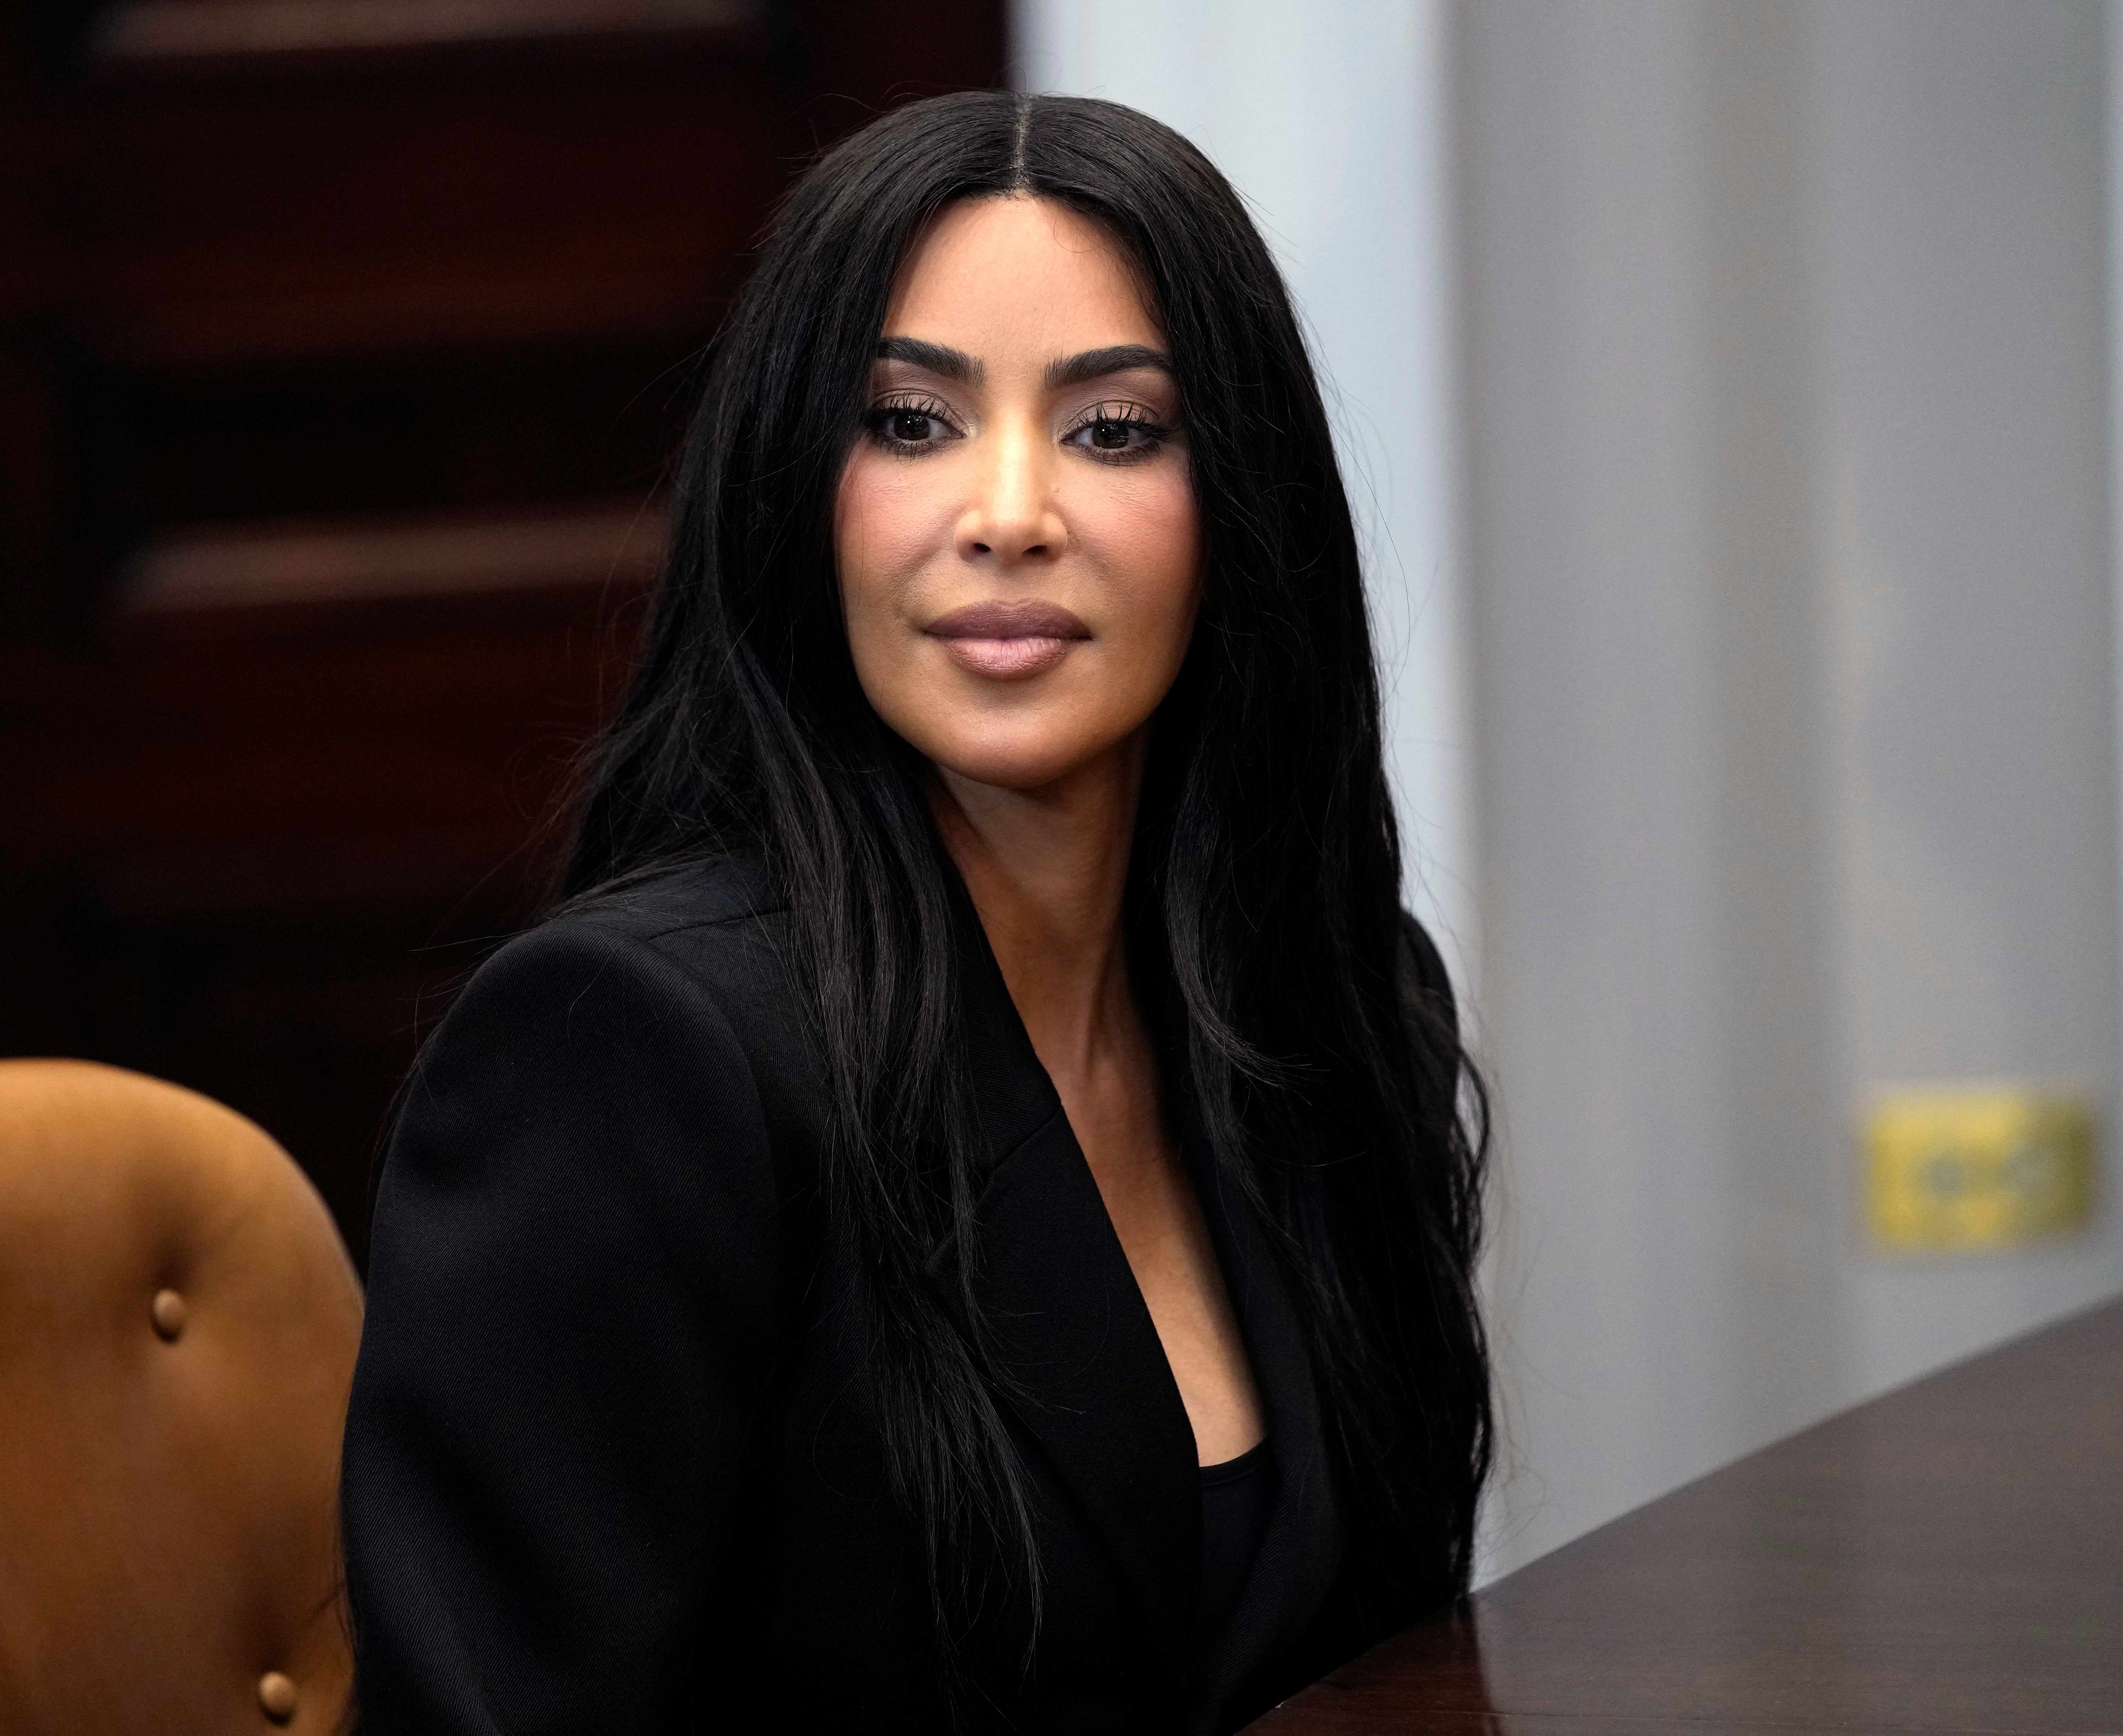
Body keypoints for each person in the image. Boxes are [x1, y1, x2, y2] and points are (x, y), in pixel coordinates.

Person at [339, 90, 1491, 1736]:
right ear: (798, 494)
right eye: (909, 420)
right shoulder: (629, 1054)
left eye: (1114, 430)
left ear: (1240, 513)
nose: (1009, 510)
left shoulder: (1342, 1000)